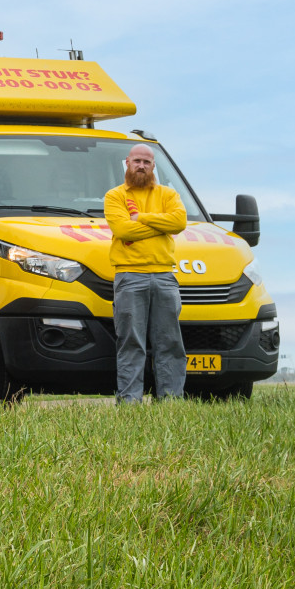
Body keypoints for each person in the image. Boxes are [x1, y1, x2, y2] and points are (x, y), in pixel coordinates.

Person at [104, 144, 188, 404]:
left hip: (165, 275)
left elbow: (179, 222)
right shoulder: (114, 196)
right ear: (127, 163)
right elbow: (123, 230)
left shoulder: (168, 194)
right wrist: (159, 224)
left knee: (170, 343)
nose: (141, 166)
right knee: (131, 342)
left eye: (147, 162)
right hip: (129, 276)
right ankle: (130, 402)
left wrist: (141, 218)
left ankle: (171, 402)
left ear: (153, 167)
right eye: (137, 161)